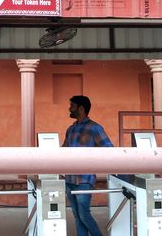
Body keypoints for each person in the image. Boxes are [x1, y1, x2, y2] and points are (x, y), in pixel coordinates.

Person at [62, 95, 113, 236]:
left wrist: (94, 163)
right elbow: (63, 151)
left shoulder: (95, 128)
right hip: (69, 179)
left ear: (81, 108)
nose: (69, 108)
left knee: (84, 215)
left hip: (84, 179)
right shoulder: (70, 129)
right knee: (78, 217)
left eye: (72, 106)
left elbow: (109, 149)